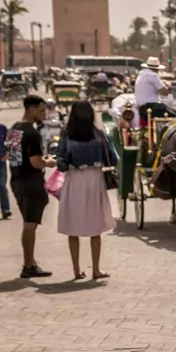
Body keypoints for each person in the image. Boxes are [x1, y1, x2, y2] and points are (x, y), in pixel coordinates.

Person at [54, 101, 117, 280]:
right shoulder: (99, 135)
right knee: (95, 226)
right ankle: (96, 269)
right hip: (95, 180)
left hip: (75, 180)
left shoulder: (67, 136)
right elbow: (113, 159)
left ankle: (76, 269)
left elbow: (62, 163)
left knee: (73, 226)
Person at [6, 95, 53, 278]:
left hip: (16, 178)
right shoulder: (31, 133)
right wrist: (48, 162)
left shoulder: (13, 130)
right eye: (41, 110)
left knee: (28, 222)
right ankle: (28, 265)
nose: (44, 114)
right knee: (30, 224)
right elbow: (35, 162)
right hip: (30, 180)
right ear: (31, 109)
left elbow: (10, 156)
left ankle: (30, 261)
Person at [133, 57, 171, 129]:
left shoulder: (141, 74)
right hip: (153, 108)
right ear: (156, 69)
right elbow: (165, 92)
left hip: (142, 109)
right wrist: (169, 86)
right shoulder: (153, 75)